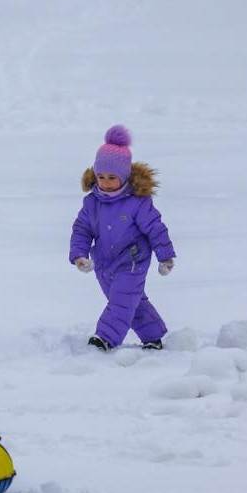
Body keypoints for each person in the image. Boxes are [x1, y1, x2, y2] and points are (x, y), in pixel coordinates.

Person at [69, 125, 175, 351]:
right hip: (104, 263)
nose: (105, 182)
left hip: (133, 260)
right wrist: (79, 253)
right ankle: (153, 335)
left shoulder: (138, 202)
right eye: (101, 176)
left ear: (124, 176)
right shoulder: (92, 203)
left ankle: (104, 338)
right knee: (130, 301)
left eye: (112, 177)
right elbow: (82, 229)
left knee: (122, 299)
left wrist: (165, 256)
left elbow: (155, 228)